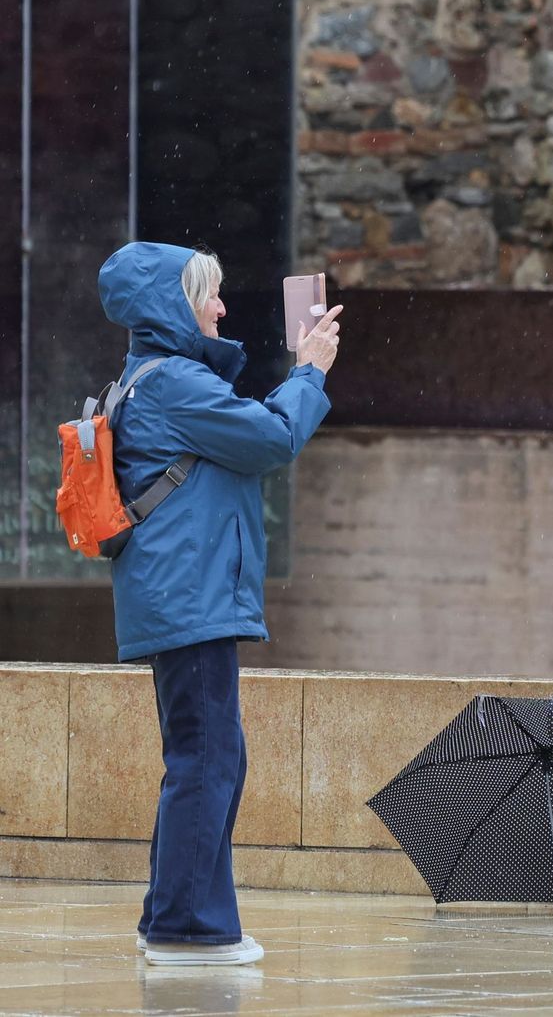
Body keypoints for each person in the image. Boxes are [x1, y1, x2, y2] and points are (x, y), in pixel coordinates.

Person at [99, 242, 342, 966]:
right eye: (210, 294)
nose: (223, 307)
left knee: (205, 756)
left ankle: (175, 916)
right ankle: (189, 928)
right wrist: (311, 372)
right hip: (190, 595)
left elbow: (244, 436)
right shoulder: (173, 382)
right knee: (207, 758)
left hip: (180, 594)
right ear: (176, 305)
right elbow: (271, 438)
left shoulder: (147, 379)